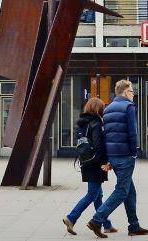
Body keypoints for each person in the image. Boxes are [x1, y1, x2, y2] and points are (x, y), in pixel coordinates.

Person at [87, 79, 148, 238]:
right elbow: (132, 132)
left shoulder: (108, 109)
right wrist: (134, 152)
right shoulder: (129, 107)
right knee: (122, 191)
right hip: (125, 156)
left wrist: (108, 158)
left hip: (113, 156)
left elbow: (106, 135)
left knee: (130, 191)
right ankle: (97, 219)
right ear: (124, 92)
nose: (133, 94)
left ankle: (134, 226)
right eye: (131, 91)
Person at [62, 97, 110, 236]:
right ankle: (71, 218)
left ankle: (106, 224)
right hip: (95, 163)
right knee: (92, 194)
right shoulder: (95, 123)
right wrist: (104, 162)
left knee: (98, 195)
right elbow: (98, 145)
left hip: (85, 161)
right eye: (102, 108)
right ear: (98, 109)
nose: (104, 110)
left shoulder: (82, 123)